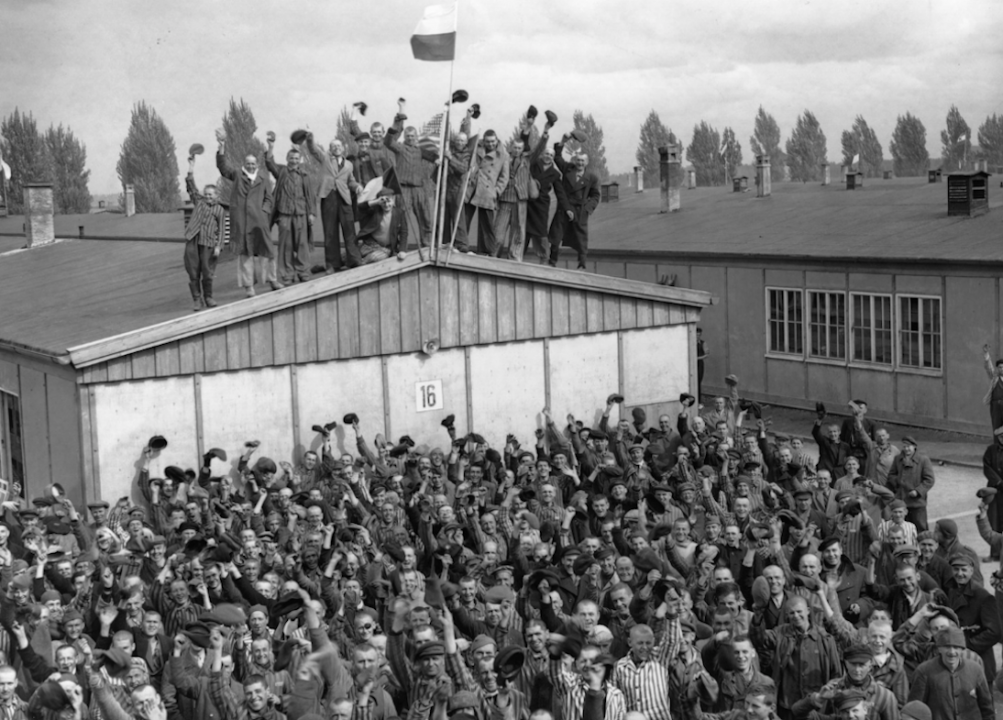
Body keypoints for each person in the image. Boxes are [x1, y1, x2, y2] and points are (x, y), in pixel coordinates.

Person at [216, 134, 278, 298]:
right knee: (246, 254)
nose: (250, 166)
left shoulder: (263, 177)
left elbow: (269, 198)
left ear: (257, 164)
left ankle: (272, 280)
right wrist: (222, 146)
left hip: (260, 221)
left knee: (268, 251)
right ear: (244, 165)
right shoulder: (237, 174)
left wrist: (264, 212)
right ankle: (249, 287)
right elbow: (223, 168)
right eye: (248, 164)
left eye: (253, 164)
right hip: (242, 222)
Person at [384, 99, 438, 251]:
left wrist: (440, 158)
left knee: (426, 218)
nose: (411, 139)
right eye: (408, 136)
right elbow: (388, 141)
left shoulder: (421, 149)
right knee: (402, 221)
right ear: (405, 137)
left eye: (413, 136)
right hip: (404, 189)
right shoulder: (400, 148)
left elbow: (435, 156)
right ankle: (401, 249)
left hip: (419, 189)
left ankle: (427, 246)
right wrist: (399, 115)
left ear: (417, 137)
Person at [908, 627, 992, 720]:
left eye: (956, 647)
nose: (952, 652)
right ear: (939, 648)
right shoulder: (924, 671)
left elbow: (987, 707)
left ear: (962, 649)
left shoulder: (976, 669)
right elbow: (914, 710)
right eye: (947, 647)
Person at [305, 132, 361, 273]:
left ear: (343, 148)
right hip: (328, 197)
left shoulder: (349, 164)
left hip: (344, 198)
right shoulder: (325, 158)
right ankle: (332, 264)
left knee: (349, 230)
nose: (336, 148)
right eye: (333, 146)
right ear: (330, 149)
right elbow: (313, 149)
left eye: (339, 146)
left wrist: (357, 186)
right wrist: (310, 138)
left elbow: (351, 181)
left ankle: (354, 260)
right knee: (330, 232)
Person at [265, 138, 315, 285]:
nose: (294, 161)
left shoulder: (305, 175)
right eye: (291, 158)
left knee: (302, 244)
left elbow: (310, 196)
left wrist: (311, 213)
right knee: (286, 245)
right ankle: (287, 275)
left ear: (300, 160)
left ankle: (303, 272)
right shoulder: (281, 172)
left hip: (301, 213)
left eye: (296, 158)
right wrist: (271, 147)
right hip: (284, 214)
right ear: (287, 159)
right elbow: (269, 164)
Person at [548, 135, 600, 270]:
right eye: (578, 160)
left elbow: (595, 196)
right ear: (574, 160)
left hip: (580, 211)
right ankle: (552, 261)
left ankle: (582, 264)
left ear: (586, 162)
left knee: (581, 239)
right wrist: (563, 141)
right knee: (556, 236)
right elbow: (557, 157)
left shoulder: (592, 178)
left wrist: (587, 209)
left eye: (582, 161)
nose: (580, 163)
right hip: (564, 209)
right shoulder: (568, 169)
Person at [183, 154, 227, 311]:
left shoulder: (219, 210)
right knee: (193, 271)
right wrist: (191, 167)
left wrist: (218, 246)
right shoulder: (199, 202)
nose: (208, 197)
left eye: (211, 194)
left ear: (216, 196)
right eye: (206, 194)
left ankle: (208, 297)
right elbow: (191, 187)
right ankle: (197, 299)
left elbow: (221, 230)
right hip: (194, 242)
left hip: (209, 245)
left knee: (207, 273)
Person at [464, 129, 509, 256]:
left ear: (496, 140)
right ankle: (461, 246)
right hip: (472, 188)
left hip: (488, 192)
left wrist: (496, 192)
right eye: (488, 141)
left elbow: (504, 177)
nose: (490, 144)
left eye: (493, 141)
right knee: (464, 219)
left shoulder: (503, 155)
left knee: (487, 224)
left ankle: (485, 251)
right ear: (484, 140)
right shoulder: (476, 147)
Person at [886, 438, 935, 532]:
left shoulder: (923, 460)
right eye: (904, 446)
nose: (906, 449)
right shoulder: (898, 459)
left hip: (917, 502)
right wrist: (898, 482)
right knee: (902, 528)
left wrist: (918, 491)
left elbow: (929, 480)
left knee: (920, 527)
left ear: (914, 447)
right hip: (902, 501)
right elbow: (891, 475)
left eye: (908, 446)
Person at [356, 188, 407, 265]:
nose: (386, 205)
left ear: (393, 199)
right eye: (383, 202)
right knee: (349, 256)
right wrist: (376, 202)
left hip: (385, 249)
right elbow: (360, 207)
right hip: (370, 244)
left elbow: (404, 233)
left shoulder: (399, 213)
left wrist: (402, 250)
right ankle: (354, 260)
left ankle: (360, 263)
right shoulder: (375, 210)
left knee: (375, 257)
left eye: (388, 201)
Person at [982, 343, 1003, 432]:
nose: (1002, 369)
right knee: (997, 428)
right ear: (997, 368)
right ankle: (997, 445)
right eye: (1000, 367)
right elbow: (989, 367)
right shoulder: (994, 377)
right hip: (996, 406)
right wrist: (986, 354)